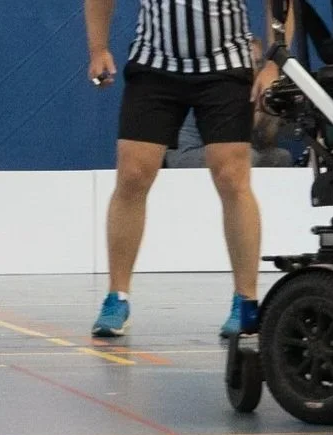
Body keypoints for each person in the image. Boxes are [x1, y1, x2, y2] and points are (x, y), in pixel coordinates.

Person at [83, 0, 271, 339]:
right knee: (132, 173)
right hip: (155, 63)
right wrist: (98, 48)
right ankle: (117, 297)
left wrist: (275, 60)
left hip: (226, 64)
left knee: (232, 176)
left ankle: (245, 301)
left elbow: (282, 6)